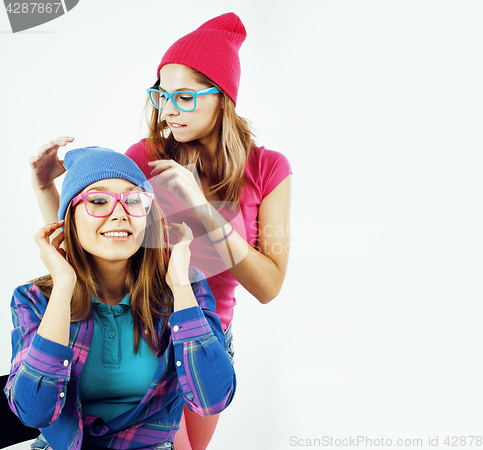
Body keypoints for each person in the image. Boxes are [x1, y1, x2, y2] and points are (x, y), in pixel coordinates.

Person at [29, 12, 291, 450]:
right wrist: (45, 187)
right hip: (144, 329)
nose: (168, 110)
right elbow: (87, 235)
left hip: (206, 337)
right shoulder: (145, 156)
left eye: (185, 97)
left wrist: (205, 211)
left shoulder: (267, 168)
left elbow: (268, 286)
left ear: (223, 98)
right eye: (161, 95)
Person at [5, 147, 236, 450]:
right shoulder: (32, 298)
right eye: (98, 201)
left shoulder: (186, 288)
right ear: (68, 221)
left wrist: (179, 284)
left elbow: (212, 399)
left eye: (133, 200)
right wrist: (63, 285)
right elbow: (34, 412)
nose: (118, 213)